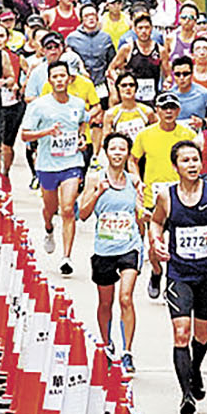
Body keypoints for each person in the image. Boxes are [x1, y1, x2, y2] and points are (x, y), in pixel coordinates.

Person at [150, 139, 207, 414]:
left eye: (195, 160)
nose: (192, 165)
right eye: (185, 160)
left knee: (201, 335)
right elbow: (156, 222)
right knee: (181, 333)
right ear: (175, 166)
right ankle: (186, 395)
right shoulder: (166, 196)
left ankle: (195, 369)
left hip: (206, 274)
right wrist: (156, 242)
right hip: (178, 274)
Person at [74, 129, 150, 365]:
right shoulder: (95, 179)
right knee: (105, 302)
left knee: (125, 298)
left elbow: (140, 214)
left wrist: (144, 227)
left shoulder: (134, 181)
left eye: (122, 149)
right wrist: (97, 194)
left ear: (128, 154)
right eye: (113, 148)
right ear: (106, 152)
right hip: (104, 250)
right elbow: (83, 214)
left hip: (129, 247)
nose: (117, 153)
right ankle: (107, 344)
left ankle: (127, 351)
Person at [18, 57, 92, 269]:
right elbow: (25, 135)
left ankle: (66, 257)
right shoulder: (39, 106)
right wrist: (46, 132)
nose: (59, 80)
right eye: (55, 77)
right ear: (49, 81)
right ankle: (49, 228)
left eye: (63, 76)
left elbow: (82, 124)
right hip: (47, 165)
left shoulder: (78, 104)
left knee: (68, 208)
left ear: (69, 79)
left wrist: (81, 140)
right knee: (50, 209)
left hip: (71, 162)